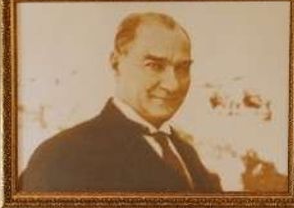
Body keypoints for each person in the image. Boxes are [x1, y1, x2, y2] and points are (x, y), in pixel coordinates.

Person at [18, 12, 223, 193]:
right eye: (154, 65)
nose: (173, 84)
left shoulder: (186, 153)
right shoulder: (62, 155)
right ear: (115, 63)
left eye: (182, 68)